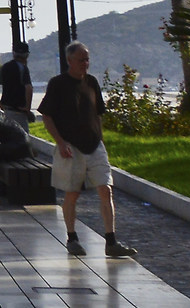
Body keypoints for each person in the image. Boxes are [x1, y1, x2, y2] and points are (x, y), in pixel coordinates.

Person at [40, 41, 134, 259]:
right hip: (71, 147)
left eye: (87, 59)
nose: (85, 63)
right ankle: (72, 238)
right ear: (69, 61)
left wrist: (100, 138)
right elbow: (47, 115)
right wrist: (60, 142)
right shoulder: (58, 84)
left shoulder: (91, 82)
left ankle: (111, 241)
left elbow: (97, 113)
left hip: (94, 145)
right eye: (81, 59)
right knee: (72, 193)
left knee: (106, 189)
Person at [0, 41, 35, 131]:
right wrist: (27, 108)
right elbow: (29, 88)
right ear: (27, 55)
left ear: (14, 54)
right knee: (23, 139)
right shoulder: (23, 68)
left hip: (7, 111)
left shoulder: (5, 67)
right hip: (19, 112)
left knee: (9, 138)